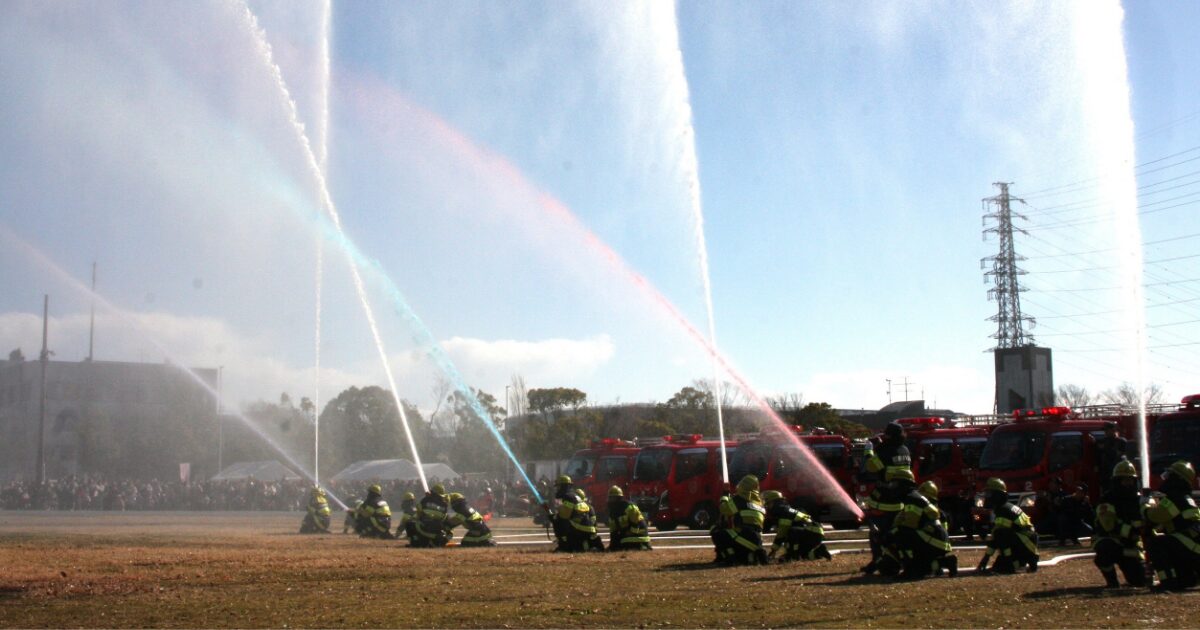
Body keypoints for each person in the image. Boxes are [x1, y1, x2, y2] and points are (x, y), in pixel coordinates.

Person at [881, 471, 954, 579]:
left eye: (894, 484)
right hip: (934, 539)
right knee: (923, 569)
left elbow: (908, 526)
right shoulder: (912, 498)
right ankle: (947, 562)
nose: (891, 487)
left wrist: (889, 535)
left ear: (903, 484)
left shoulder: (912, 499)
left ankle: (909, 570)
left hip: (933, 539)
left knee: (901, 534)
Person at [860, 422, 912, 574]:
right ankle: (897, 560)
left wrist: (869, 450)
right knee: (895, 535)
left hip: (883, 501)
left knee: (876, 533)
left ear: (888, 435)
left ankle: (877, 560)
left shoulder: (884, 451)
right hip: (901, 501)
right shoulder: (905, 450)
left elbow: (870, 467)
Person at [1145, 460, 1200, 590]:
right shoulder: (1185, 498)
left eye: (1169, 475)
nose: (1165, 479)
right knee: (1171, 542)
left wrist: (1145, 506)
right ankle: (1185, 579)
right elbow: (1168, 524)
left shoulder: (1175, 498)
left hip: (1193, 548)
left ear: (1176, 478)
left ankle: (1168, 582)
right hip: (1194, 550)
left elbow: (1155, 517)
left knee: (1157, 543)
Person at [1092, 460, 1147, 588]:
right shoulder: (1107, 499)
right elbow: (1109, 525)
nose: (1128, 483)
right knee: (1104, 550)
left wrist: (1149, 509)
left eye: (1130, 480)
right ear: (1117, 481)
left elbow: (1149, 524)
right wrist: (1132, 532)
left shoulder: (1139, 500)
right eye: (1124, 480)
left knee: (1139, 581)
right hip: (1113, 542)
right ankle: (1112, 582)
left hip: (1131, 547)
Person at [976, 477, 1039, 574]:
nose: (987, 497)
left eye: (989, 493)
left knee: (1001, 534)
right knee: (1001, 536)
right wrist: (985, 560)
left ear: (997, 495)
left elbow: (998, 537)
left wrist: (985, 559)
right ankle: (1010, 563)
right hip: (1026, 542)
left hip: (1027, 545)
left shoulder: (1003, 511)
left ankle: (1009, 565)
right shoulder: (1004, 508)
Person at [711, 475, 768, 565]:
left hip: (743, 535)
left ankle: (730, 559)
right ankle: (745, 557)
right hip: (757, 538)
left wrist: (725, 495)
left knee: (717, 532)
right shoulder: (759, 502)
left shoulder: (739, 499)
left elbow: (724, 509)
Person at [762, 490, 830, 562]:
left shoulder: (782, 511)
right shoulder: (786, 509)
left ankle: (792, 555)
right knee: (803, 555)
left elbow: (782, 532)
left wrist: (774, 549)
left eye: (768, 503)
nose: (767, 506)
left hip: (811, 532)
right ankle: (819, 551)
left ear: (774, 502)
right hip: (814, 532)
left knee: (791, 532)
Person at [547, 475, 604, 552]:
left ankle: (564, 546)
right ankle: (584, 547)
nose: (557, 489)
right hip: (586, 528)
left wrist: (552, 517)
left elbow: (564, 517)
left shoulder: (567, 497)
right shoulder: (574, 496)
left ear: (563, 486)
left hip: (578, 529)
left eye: (558, 487)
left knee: (558, 523)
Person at [606, 486, 651, 551]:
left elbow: (636, 524)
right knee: (617, 545)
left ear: (619, 498)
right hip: (626, 535)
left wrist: (627, 533)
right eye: (610, 498)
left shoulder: (629, 507)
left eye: (612, 498)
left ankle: (642, 546)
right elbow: (613, 532)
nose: (610, 500)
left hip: (639, 535)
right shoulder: (612, 513)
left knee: (622, 543)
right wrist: (612, 546)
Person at [411, 483, 452, 548]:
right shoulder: (444, 504)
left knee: (410, 524)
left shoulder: (426, 500)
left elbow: (419, 510)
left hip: (423, 529)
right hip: (438, 531)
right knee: (450, 534)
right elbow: (444, 517)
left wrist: (426, 498)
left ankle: (415, 543)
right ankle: (438, 544)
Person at [1096, 422, 1129, 493]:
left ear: (1113, 430)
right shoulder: (1103, 441)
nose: (1105, 432)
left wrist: (1106, 449)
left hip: (1118, 473)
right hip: (1106, 475)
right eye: (1104, 430)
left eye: (1107, 430)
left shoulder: (1121, 442)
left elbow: (1122, 456)